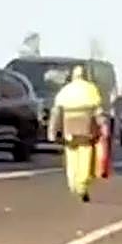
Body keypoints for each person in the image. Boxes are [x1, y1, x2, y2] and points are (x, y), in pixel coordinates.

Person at [48, 65, 105, 203]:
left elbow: (56, 113)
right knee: (84, 158)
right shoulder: (91, 90)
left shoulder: (65, 91)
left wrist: (52, 131)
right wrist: (103, 126)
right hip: (86, 131)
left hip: (69, 130)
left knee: (71, 157)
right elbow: (98, 112)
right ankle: (82, 185)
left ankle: (73, 184)